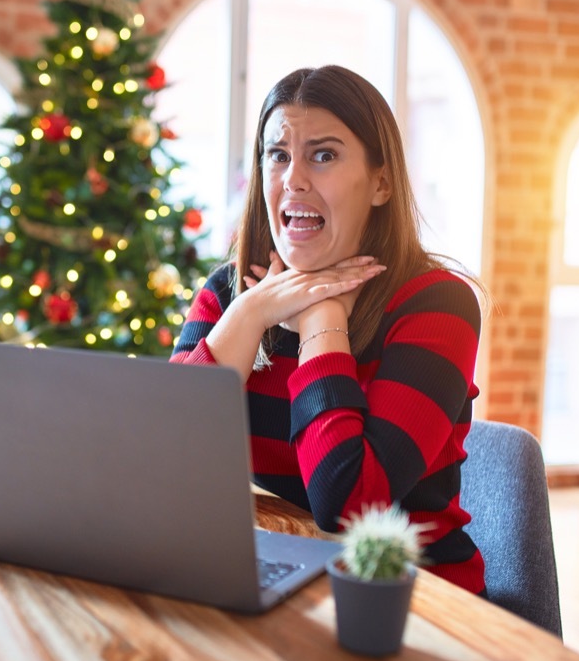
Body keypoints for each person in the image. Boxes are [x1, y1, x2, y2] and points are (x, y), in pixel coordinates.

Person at [171, 65, 485, 595]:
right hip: (271, 571)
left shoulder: (437, 305)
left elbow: (349, 504)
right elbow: (161, 455)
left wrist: (322, 318)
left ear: (381, 183)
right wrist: (249, 315)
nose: (293, 179)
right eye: (278, 155)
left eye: (323, 156)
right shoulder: (230, 292)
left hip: (411, 593)